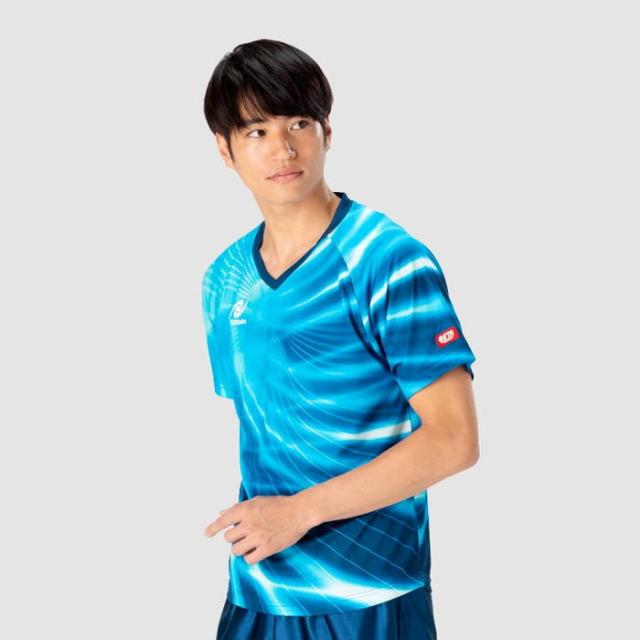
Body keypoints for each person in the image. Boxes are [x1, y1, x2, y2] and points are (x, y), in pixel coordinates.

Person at [200, 38, 479, 640]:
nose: (283, 148)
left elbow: (455, 439)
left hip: (369, 591)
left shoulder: (388, 260)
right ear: (225, 149)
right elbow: (272, 435)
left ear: (327, 131)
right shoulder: (224, 278)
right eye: (256, 131)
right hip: (260, 588)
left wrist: (300, 513)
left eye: (298, 123)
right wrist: (275, 523)